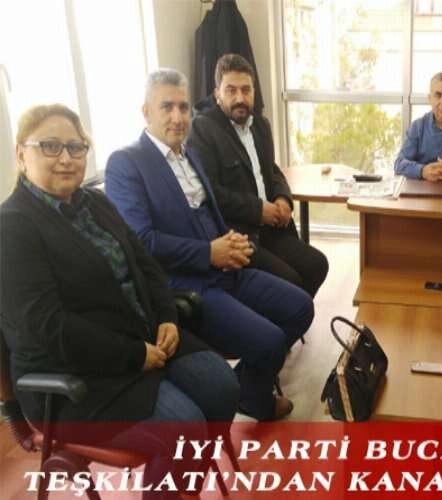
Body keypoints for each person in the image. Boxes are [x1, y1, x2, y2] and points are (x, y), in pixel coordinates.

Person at [0, 104, 239, 498]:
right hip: (75, 378)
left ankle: (181, 487)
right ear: (21, 155)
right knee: (185, 427)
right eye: (50, 146)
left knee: (222, 386)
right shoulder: (12, 228)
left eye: (76, 147)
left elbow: (146, 265)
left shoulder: (94, 203)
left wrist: (167, 317)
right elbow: (50, 328)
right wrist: (134, 355)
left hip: (141, 338)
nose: (66, 158)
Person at [105, 69, 314, 421]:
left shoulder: (190, 154)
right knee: (269, 341)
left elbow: (209, 212)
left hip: (227, 267)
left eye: (183, 107)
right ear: (146, 112)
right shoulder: (126, 164)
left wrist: (230, 242)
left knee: (301, 307)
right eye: (167, 107)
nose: (177, 117)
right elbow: (141, 241)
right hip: (186, 284)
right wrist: (208, 253)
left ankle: (247, 388)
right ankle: (252, 395)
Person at [188, 54, 328, 297]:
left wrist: (283, 198)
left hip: (272, 229)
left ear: (254, 91)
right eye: (231, 90)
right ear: (217, 93)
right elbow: (211, 193)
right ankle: (287, 314)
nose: (240, 98)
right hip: (240, 235)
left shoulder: (260, 125)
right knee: (291, 282)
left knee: (317, 265)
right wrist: (259, 209)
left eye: (246, 90)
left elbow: (271, 170)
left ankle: (292, 314)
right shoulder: (203, 129)